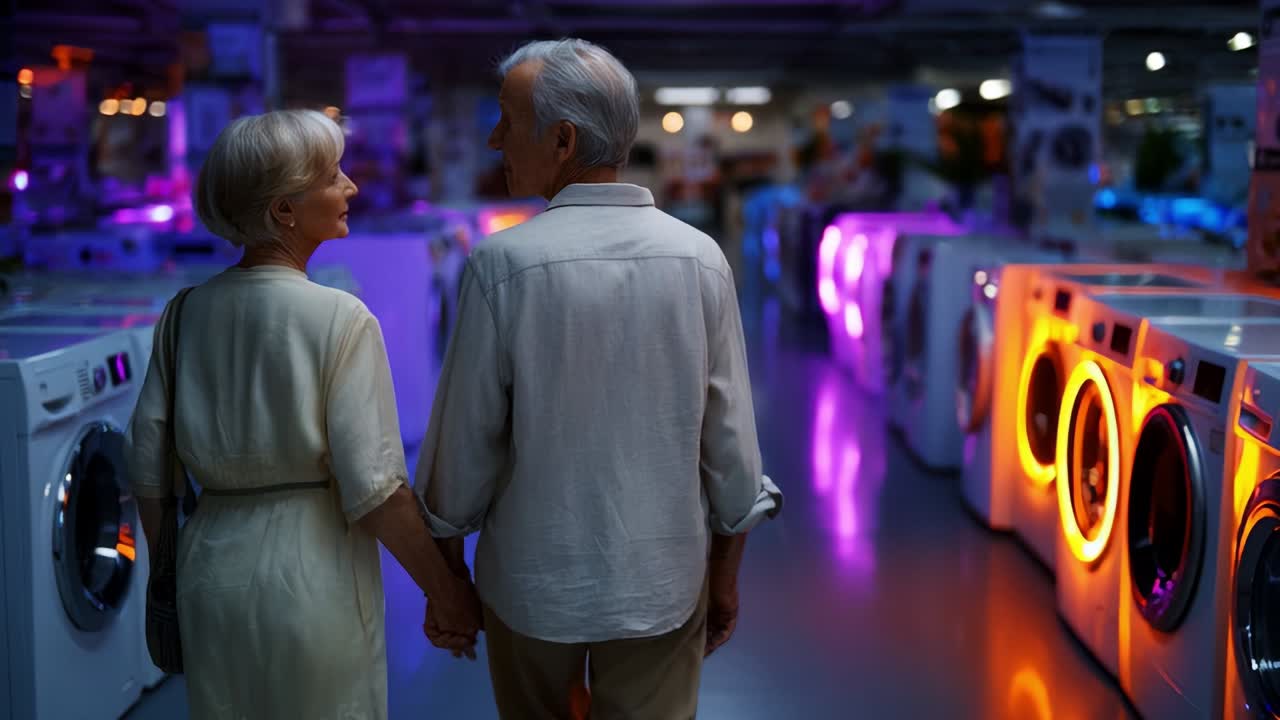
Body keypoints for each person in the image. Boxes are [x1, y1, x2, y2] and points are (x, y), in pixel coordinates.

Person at [415, 39, 783, 719]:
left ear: (561, 140)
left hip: (530, 584)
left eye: (507, 120)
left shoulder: (502, 266)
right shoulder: (699, 259)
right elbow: (729, 443)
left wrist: (450, 580)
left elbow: (464, 448)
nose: (496, 139)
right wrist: (724, 576)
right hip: (664, 582)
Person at [125, 109, 482, 720]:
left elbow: (148, 470)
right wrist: (445, 592)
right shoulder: (340, 319)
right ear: (284, 209)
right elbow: (375, 490)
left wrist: (173, 573)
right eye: (332, 175)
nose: (351, 188)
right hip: (311, 572)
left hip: (210, 570)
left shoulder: (184, 315)